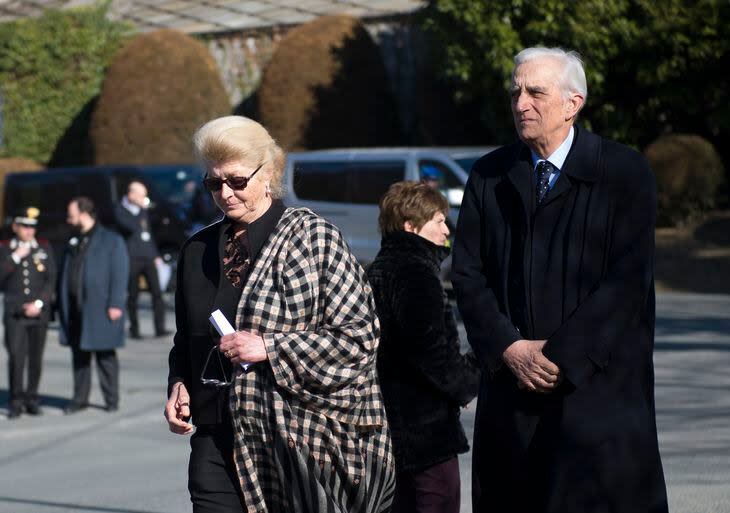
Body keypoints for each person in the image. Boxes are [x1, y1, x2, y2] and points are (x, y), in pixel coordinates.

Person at [451, 47, 668, 513]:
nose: (521, 103)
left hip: (595, 395)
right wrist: (510, 348)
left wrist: (558, 357)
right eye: (515, 93)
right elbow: (467, 274)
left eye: (535, 92)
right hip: (511, 394)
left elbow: (626, 281)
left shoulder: (623, 172)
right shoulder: (489, 175)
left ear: (573, 103)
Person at [164, 115, 394, 513]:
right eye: (213, 183)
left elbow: (360, 337)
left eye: (237, 181)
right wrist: (179, 383)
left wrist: (270, 347)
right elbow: (186, 339)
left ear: (267, 173)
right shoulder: (196, 250)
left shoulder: (314, 239)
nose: (225, 193)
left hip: (298, 437)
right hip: (215, 435)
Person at [367, 181, 479, 513]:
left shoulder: (381, 268)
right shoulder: (414, 272)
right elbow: (431, 352)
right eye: (439, 220)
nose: (447, 227)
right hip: (424, 432)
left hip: (390, 430)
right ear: (411, 226)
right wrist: (471, 376)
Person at [58, 197, 130, 414]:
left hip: (101, 306)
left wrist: (116, 303)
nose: (68, 218)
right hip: (76, 307)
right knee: (79, 355)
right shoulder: (74, 239)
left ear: (83, 213)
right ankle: (79, 398)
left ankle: (111, 399)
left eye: (71, 213)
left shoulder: (111, 239)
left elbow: (120, 273)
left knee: (105, 355)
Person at [0, 207, 56, 418]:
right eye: (25, 226)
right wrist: (14, 258)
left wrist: (40, 303)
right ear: (15, 227)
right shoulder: (5, 248)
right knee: (16, 357)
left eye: (32, 227)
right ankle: (16, 399)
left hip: (38, 312)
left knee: (35, 358)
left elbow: (51, 278)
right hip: (15, 314)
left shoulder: (43, 247)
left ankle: (32, 398)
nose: (29, 231)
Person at [114, 180, 168, 338]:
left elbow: (148, 233)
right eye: (141, 196)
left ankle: (160, 327)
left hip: (148, 256)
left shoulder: (142, 211)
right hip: (132, 257)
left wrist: (156, 254)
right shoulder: (121, 210)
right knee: (133, 294)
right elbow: (130, 227)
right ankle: (134, 329)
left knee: (157, 293)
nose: (144, 199)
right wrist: (141, 210)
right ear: (131, 195)